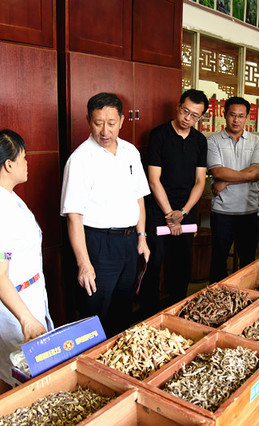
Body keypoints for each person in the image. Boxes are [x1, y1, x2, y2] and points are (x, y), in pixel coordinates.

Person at [0, 129, 54, 395]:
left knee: (9, 373)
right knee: (16, 375)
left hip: (28, 296)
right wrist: (26, 319)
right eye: (23, 157)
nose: (27, 162)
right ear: (9, 165)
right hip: (13, 310)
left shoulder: (7, 198)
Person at [60, 92, 150, 336]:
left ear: (122, 120)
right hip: (98, 244)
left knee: (123, 308)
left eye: (111, 123)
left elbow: (139, 198)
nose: (105, 131)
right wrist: (84, 264)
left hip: (129, 242)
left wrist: (141, 237)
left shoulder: (130, 152)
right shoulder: (80, 159)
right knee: (94, 312)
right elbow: (74, 216)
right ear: (88, 120)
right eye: (98, 123)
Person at [138, 89, 208, 318]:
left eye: (194, 115)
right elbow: (153, 180)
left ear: (200, 117)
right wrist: (170, 215)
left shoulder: (200, 141)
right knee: (154, 263)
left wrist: (183, 212)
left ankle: (178, 313)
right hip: (159, 210)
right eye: (185, 111)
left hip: (186, 211)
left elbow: (200, 182)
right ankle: (149, 316)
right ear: (178, 107)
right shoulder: (159, 135)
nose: (188, 118)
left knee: (182, 264)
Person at [207, 96, 259, 283]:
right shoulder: (213, 141)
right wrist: (245, 175)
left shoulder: (256, 141)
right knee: (218, 261)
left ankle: (246, 297)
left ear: (247, 118)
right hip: (222, 212)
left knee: (248, 261)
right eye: (232, 115)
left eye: (241, 116)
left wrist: (226, 182)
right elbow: (217, 171)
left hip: (249, 211)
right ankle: (216, 297)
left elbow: (258, 172)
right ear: (224, 115)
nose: (236, 120)